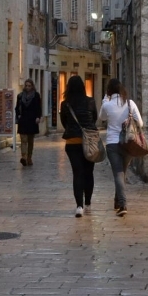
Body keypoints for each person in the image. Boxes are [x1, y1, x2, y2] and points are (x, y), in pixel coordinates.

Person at [99, 78, 143, 217]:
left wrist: (104, 101)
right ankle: (117, 201)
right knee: (121, 172)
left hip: (112, 143)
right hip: (128, 143)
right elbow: (140, 123)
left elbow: (102, 118)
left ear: (109, 91)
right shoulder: (130, 103)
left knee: (118, 173)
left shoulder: (107, 105)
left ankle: (123, 204)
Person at [59, 75, 98, 217]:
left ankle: (79, 206)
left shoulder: (65, 104)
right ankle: (88, 202)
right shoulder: (91, 101)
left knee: (77, 173)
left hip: (72, 142)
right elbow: (94, 119)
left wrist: (73, 131)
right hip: (90, 142)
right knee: (89, 172)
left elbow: (64, 122)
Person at [15, 79, 42, 166]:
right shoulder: (20, 96)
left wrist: (38, 117)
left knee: (30, 140)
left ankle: (29, 157)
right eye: (26, 85)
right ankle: (24, 157)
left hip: (32, 120)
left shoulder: (36, 96)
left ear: (32, 86)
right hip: (23, 120)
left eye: (29, 86)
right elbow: (17, 108)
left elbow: (38, 107)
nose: (27, 87)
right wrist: (18, 115)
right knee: (23, 139)